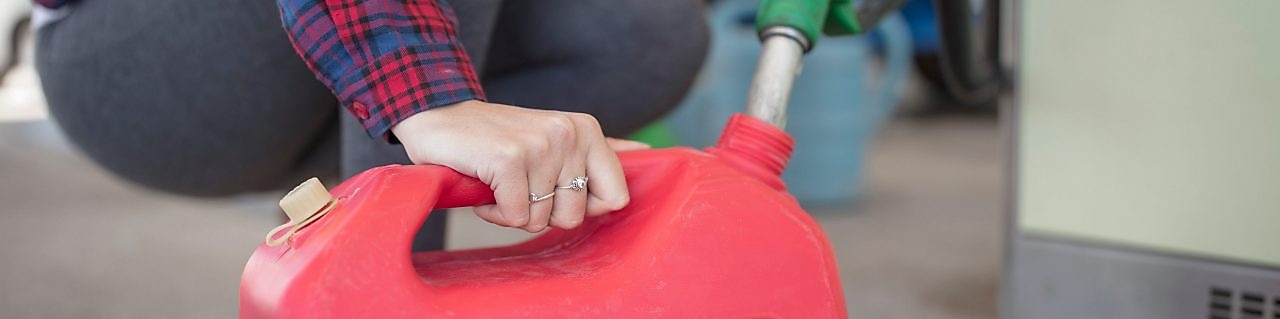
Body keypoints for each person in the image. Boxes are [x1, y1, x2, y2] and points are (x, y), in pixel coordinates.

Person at [32, 0, 709, 249]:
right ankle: (380, 286)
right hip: (131, 55)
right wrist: (430, 101)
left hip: (325, 53)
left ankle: (371, 184)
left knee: (649, 33)